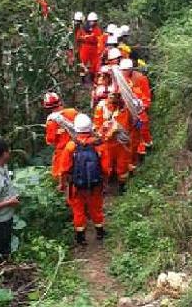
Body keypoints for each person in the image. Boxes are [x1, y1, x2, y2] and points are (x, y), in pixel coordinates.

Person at [59, 113, 107, 245]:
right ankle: (100, 233)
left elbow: (64, 169)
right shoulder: (99, 145)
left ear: (76, 129)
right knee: (96, 208)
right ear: (91, 128)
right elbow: (106, 168)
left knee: (78, 210)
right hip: (95, 184)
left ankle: (80, 238)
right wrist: (104, 182)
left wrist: (62, 184)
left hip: (76, 186)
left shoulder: (71, 146)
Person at [94, 91, 132, 194]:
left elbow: (122, 127)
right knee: (105, 165)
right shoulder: (101, 107)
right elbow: (97, 125)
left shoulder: (124, 109)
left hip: (120, 142)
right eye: (111, 97)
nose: (112, 99)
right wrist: (103, 134)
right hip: (106, 143)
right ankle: (105, 185)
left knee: (122, 166)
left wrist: (108, 132)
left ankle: (121, 187)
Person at [43, 92, 78, 189]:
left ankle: (67, 198)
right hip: (79, 146)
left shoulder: (51, 121)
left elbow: (50, 140)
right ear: (60, 102)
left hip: (63, 151)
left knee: (62, 175)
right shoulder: (73, 112)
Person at [78, 12, 103, 82]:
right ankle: (82, 79)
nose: (93, 23)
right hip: (85, 46)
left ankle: (93, 78)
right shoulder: (83, 28)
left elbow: (99, 38)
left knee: (95, 62)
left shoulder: (97, 29)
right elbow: (79, 37)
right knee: (83, 62)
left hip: (94, 47)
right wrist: (85, 38)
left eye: (95, 21)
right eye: (92, 21)